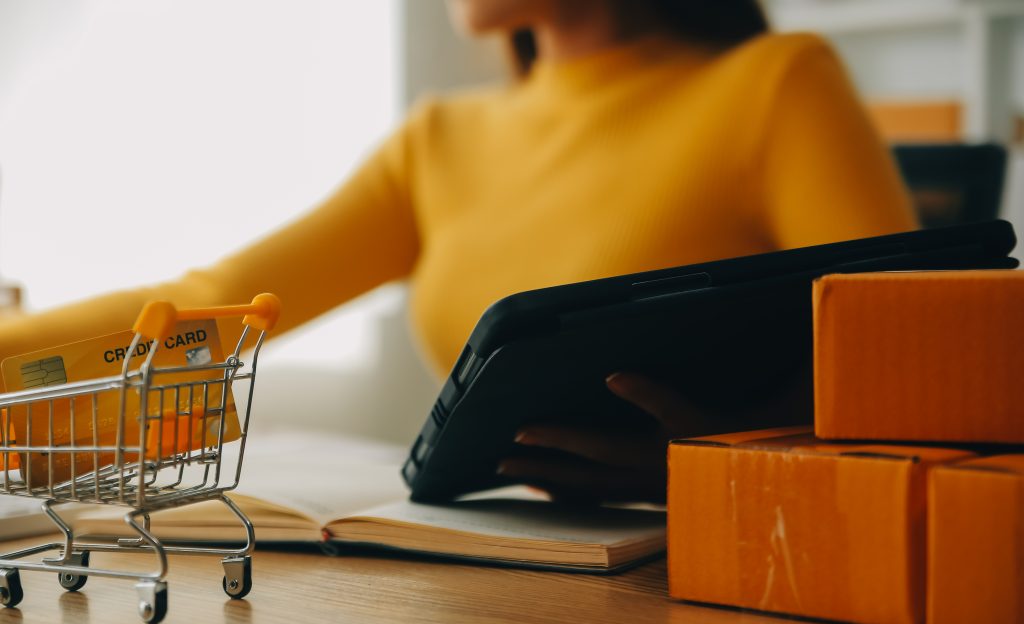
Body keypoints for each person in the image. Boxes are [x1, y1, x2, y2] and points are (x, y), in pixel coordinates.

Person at [0, 0, 916, 502]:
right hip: (495, 578)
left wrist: (725, 463)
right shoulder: (441, 138)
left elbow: (912, 359)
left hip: (729, 576)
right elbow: (216, 301)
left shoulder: (776, 83)